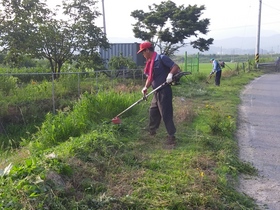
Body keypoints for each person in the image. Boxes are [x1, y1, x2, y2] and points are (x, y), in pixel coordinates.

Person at [137, 41, 180, 146]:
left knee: (166, 114)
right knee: (153, 111)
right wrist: (145, 87)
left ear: (147, 50)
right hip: (156, 91)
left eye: (143, 52)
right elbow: (150, 77)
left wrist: (170, 74)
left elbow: (175, 66)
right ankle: (152, 131)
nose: (143, 55)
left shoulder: (161, 58)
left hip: (164, 90)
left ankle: (171, 136)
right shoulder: (151, 62)